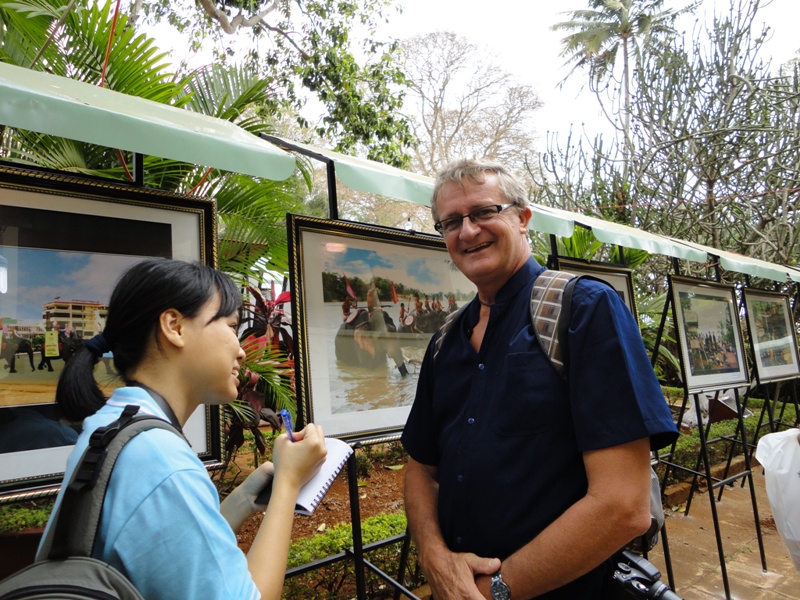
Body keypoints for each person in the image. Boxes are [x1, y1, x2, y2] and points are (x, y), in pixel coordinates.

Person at [401, 158, 678, 599]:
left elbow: (624, 505)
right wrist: (434, 558)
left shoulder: (584, 310)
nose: (467, 231)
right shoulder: (445, 341)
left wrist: (497, 591)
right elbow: (421, 468)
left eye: (484, 212)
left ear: (522, 218)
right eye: (451, 221)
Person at [45, 258, 327, 600]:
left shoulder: (113, 424)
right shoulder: (161, 461)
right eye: (231, 326)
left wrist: (241, 500)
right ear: (174, 326)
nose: (240, 351)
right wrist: (287, 484)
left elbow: (166, 553)